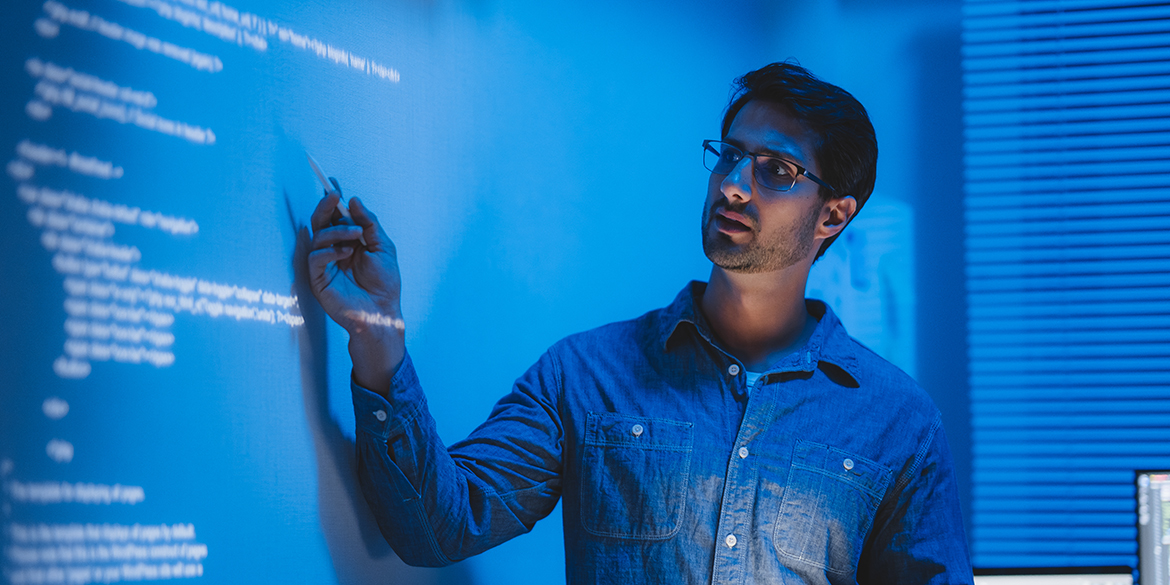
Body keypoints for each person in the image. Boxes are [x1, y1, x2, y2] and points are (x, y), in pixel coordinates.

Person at [307, 62, 973, 584]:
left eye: (775, 169)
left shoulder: (898, 422)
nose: (734, 185)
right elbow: (437, 527)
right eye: (729, 156)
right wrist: (376, 330)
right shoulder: (587, 374)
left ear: (833, 215)